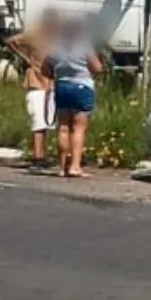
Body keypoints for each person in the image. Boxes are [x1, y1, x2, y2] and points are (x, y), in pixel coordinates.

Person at [45, 13, 104, 178]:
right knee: (79, 128)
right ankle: (75, 166)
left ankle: (62, 167)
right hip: (81, 86)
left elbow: (45, 68)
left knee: (63, 127)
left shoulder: (55, 47)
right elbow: (98, 68)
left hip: (62, 86)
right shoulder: (84, 45)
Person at [3, 13, 55, 169]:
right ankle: (38, 157)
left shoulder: (57, 39)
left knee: (50, 121)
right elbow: (10, 41)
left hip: (52, 84)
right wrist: (24, 58)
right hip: (36, 81)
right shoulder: (33, 36)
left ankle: (46, 155)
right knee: (38, 121)